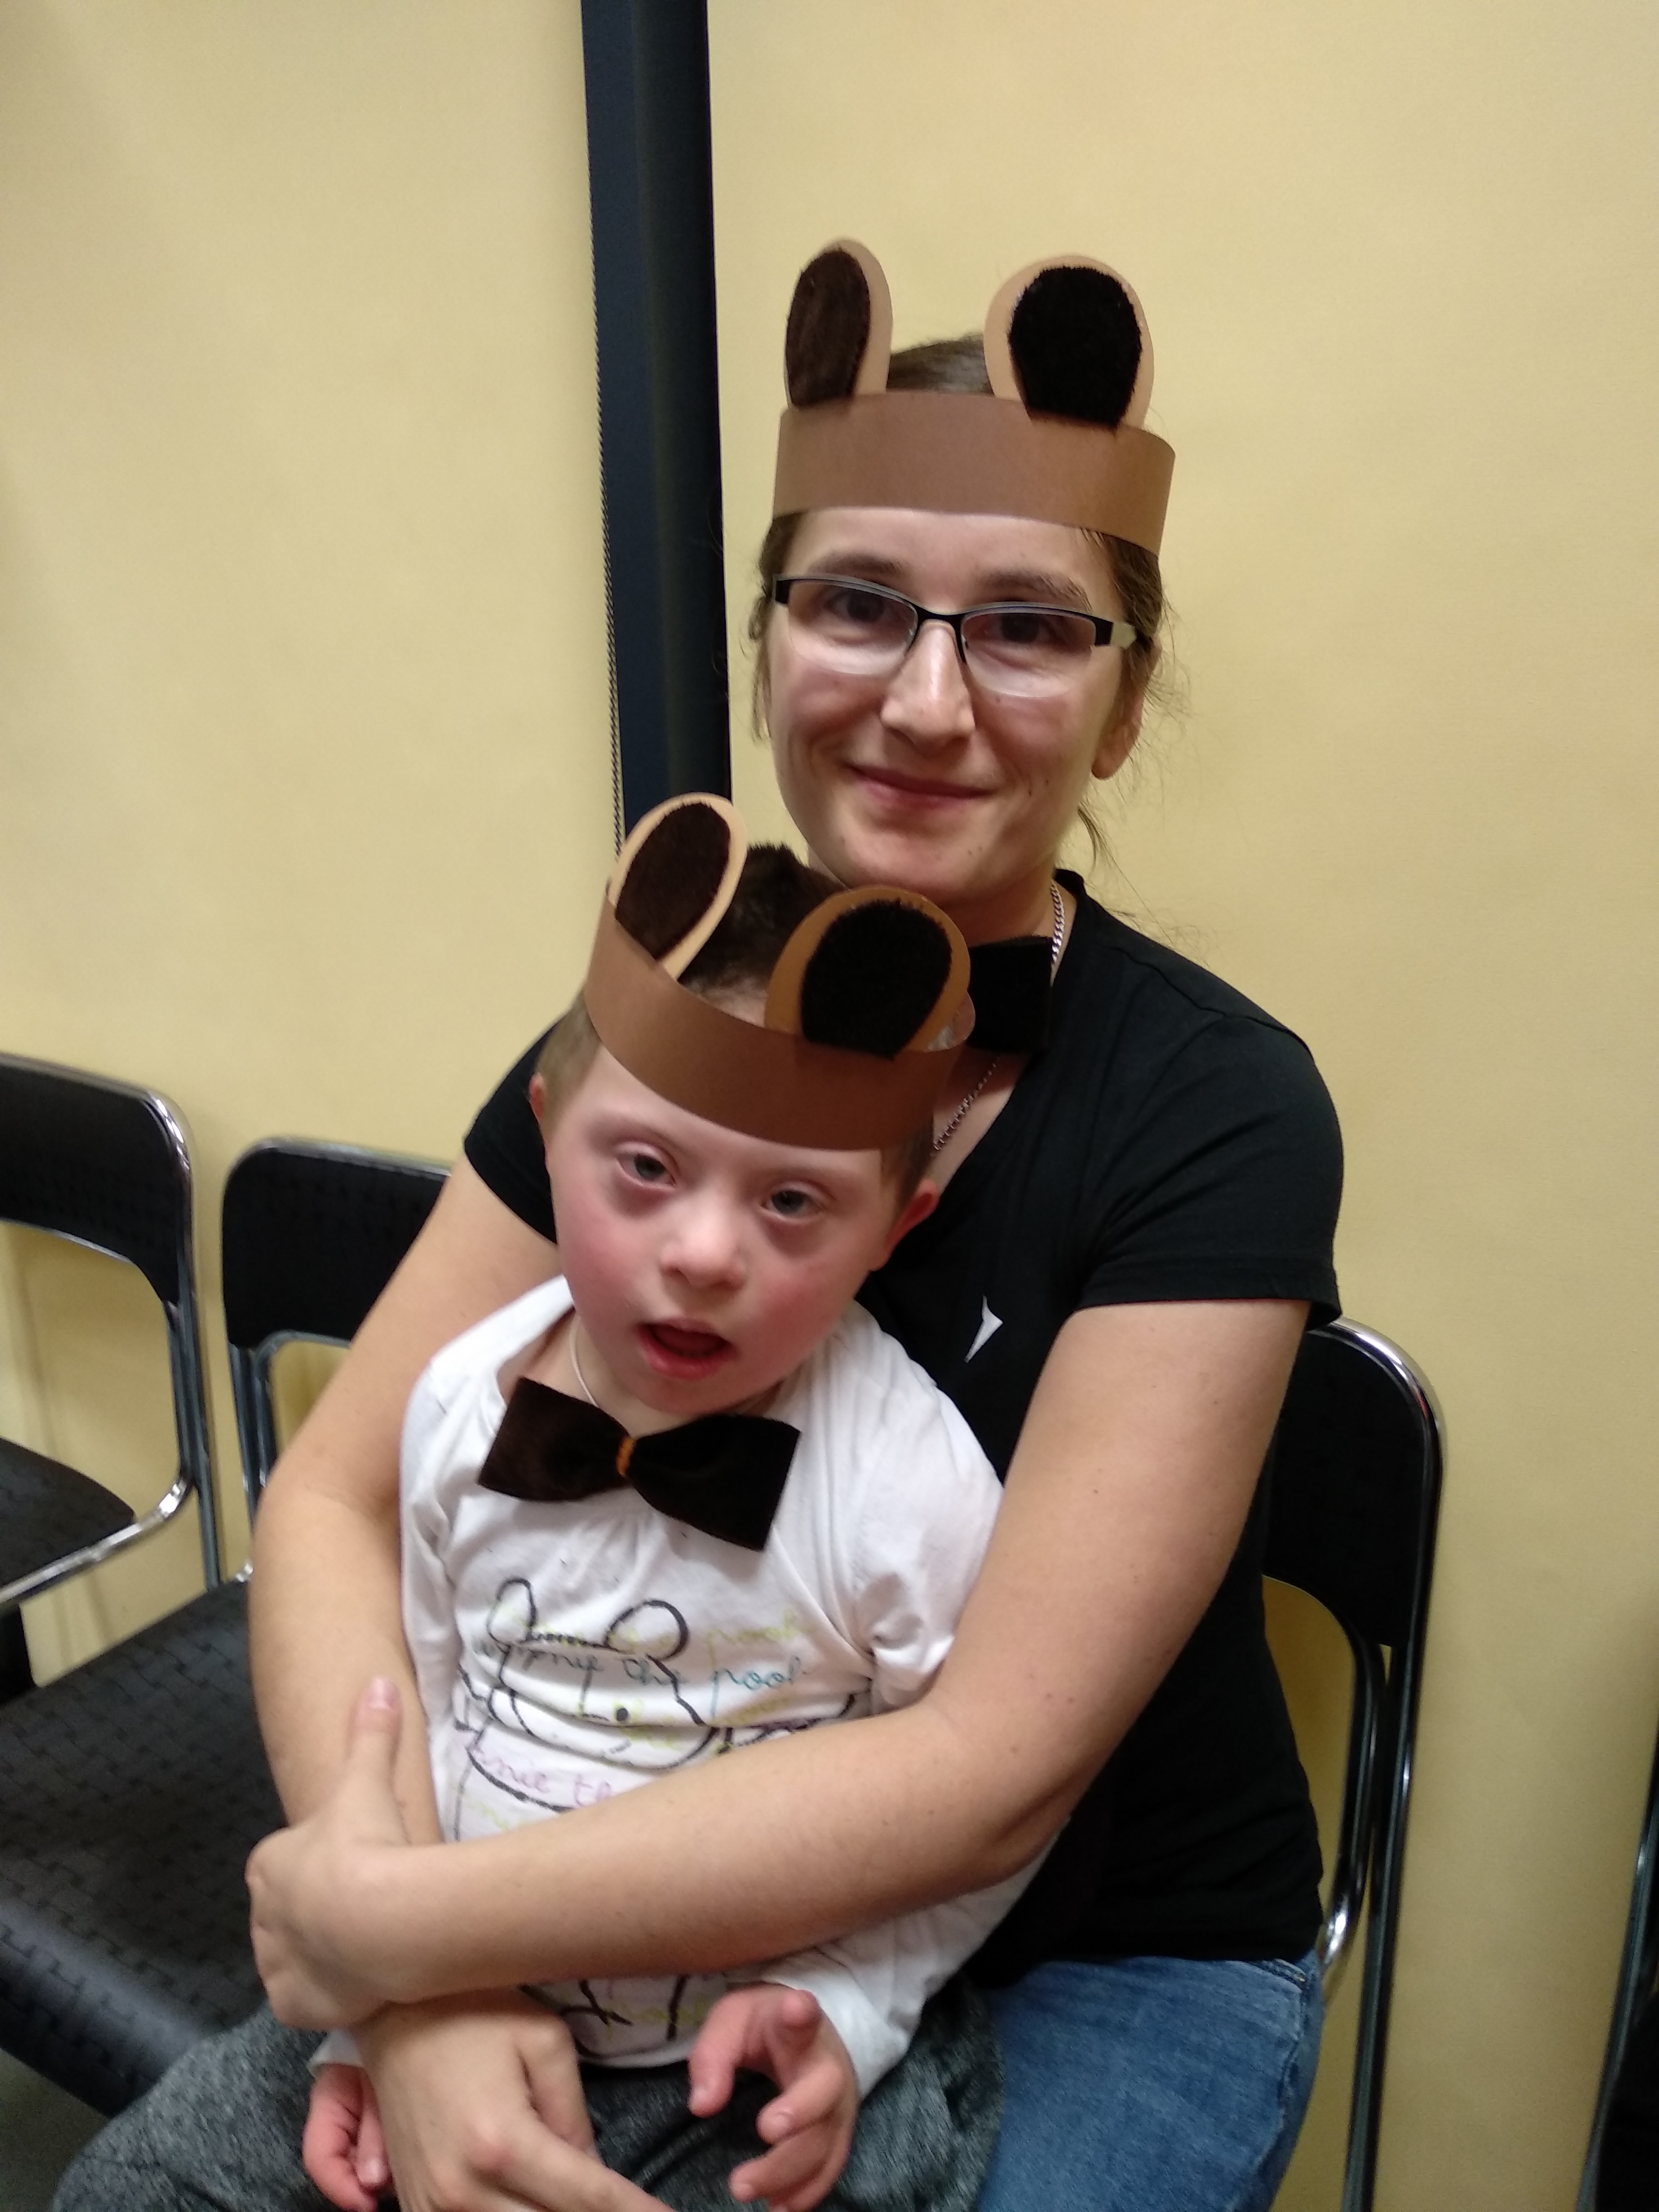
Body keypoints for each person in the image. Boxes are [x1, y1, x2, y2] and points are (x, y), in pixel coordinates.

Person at [61, 241, 1343, 2212]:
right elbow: (330, 1500)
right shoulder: (657, 1032)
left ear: (1124, 705)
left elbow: (991, 1769)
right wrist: (427, 1991)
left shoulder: (1217, 1112)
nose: (925, 699)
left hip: (1096, 1960)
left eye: (1025, 627)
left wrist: (396, 1930)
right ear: (767, 647)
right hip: (585, 1896)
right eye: (858, 604)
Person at [296, 811, 1031, 2212]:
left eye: (795, 1200)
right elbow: (429, 1713)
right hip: (464, 1985)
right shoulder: (456, 1399)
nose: (702, 1252)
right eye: (645, 1167)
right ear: (546, 1135)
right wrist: (386, 2012)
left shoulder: (907, 1485)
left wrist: (854, 2008)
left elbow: (983, 1811)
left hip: (745, 2053)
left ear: (899, 1226)